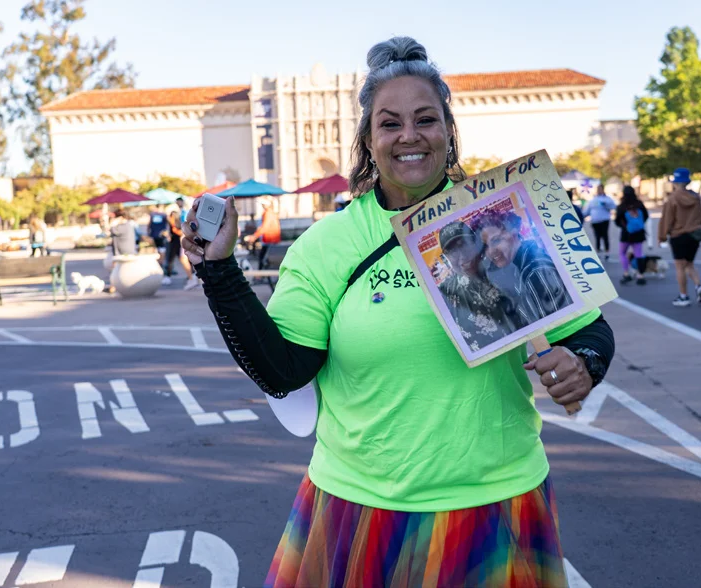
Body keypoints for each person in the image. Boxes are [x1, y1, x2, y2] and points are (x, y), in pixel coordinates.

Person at [180, 36, 614, 587]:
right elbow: (282, 370)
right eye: (390, 123)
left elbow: (590, 330)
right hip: (361, 508)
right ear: (368, 139)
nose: (409, 135)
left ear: (448, 131)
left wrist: (583, 364)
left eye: (425, 119)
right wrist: (220, 273)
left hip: (497, 501)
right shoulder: (327, 244)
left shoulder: (505, 219)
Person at [476, 210, 573, 327]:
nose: (490, 251)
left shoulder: (534, 269)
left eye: (496, 240)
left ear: (514, 233)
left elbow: (556, 325)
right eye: (485, 246)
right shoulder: (519, 265)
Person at [436, 220, 518, 350]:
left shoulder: (504, 270)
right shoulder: (444, 294)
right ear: (445, 257)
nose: (462, 256)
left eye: (464, 244)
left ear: (476, 243)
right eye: (452, 251)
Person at [658, 168, 701, 307]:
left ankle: (683, 296)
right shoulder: (696, 197)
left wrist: (662, 236)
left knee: (680, 267)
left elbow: (667, 219)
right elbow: (700, 217)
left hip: (678, 235)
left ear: (675, 183)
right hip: (694, 235)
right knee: (689, 264)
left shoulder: (672, 198)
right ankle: (698, 286)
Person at [614, 186, 650, 285]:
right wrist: (638, 225)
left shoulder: (622, 206)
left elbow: (617, 221)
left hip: (626, 234)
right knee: (639, 254)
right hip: (639, 234)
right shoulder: (639, 204)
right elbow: (646, 216)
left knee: (622, 253)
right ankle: (640, 275)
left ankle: (626, 273)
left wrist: (625, 226)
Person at [164, 210, 198, 290]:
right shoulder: (173, 223)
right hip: (178, 243)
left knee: (185, 259)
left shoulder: (179, 222)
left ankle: (192, 278)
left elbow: (180, 231)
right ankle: (192, 278)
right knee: (183, 259)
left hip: (181, 242)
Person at [244, 198, 281, 269]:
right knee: (265, 258)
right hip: (271, 239)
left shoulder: (268, 213)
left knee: (262, 258)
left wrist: (254, 236)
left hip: (269, 239)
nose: (262, 205)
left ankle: (260, 273)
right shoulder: (272, 212)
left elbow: (265, 227)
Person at [583, 184, 616, 260]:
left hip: (604, 221)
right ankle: (598, 252)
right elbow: (587, 210)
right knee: (597, 236)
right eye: (598, 189)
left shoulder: (607, 199)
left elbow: (613, 206)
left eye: (600, 189)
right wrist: (581, 216)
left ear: (603, 189)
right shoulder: (593, 199)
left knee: (605, 236)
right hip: (595, 221)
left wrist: (606, 205)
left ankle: (607, 252)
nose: (599, 190)